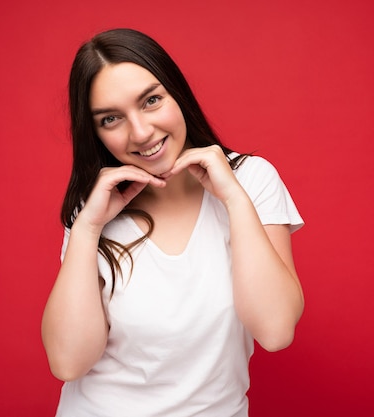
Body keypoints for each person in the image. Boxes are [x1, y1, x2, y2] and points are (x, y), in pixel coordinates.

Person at [41, 28, 304, 417]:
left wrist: (232, 197)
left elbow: (276, 330)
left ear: (177, 94)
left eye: (151, 101)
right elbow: (68, 362)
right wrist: (87, 228)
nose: (141, 132)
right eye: (111, 118)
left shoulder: (250, 180)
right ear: (95, 133)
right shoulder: (95, 206)